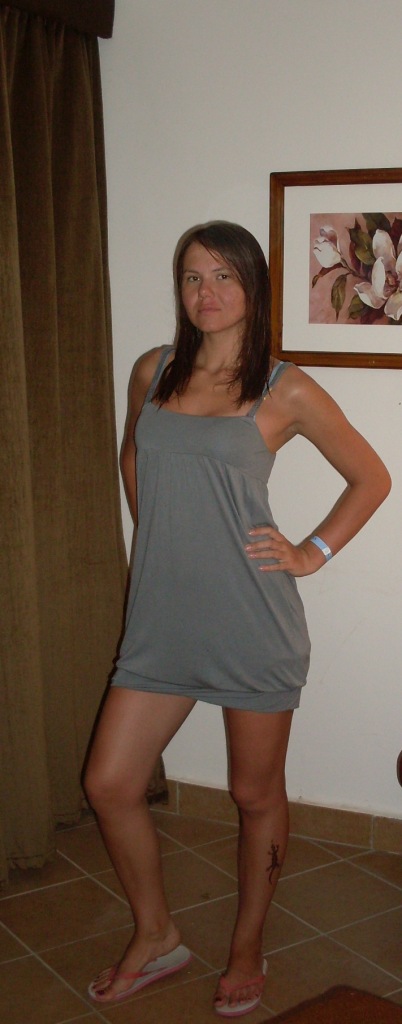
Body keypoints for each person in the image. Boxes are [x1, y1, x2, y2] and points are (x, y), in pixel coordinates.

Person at [84, 221, 391, 1015]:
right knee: (110, 782)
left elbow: (371, 477)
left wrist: (310, 552)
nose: (207, 292)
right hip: (161, 621)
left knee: (255, 796)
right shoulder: (153, 369)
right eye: (193, 277)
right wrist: (163, 537)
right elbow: (134, 453)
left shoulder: (284, 388)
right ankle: (157, 936)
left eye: (224, 276)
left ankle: (248, 945)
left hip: (252, 623)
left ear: (253, 286)